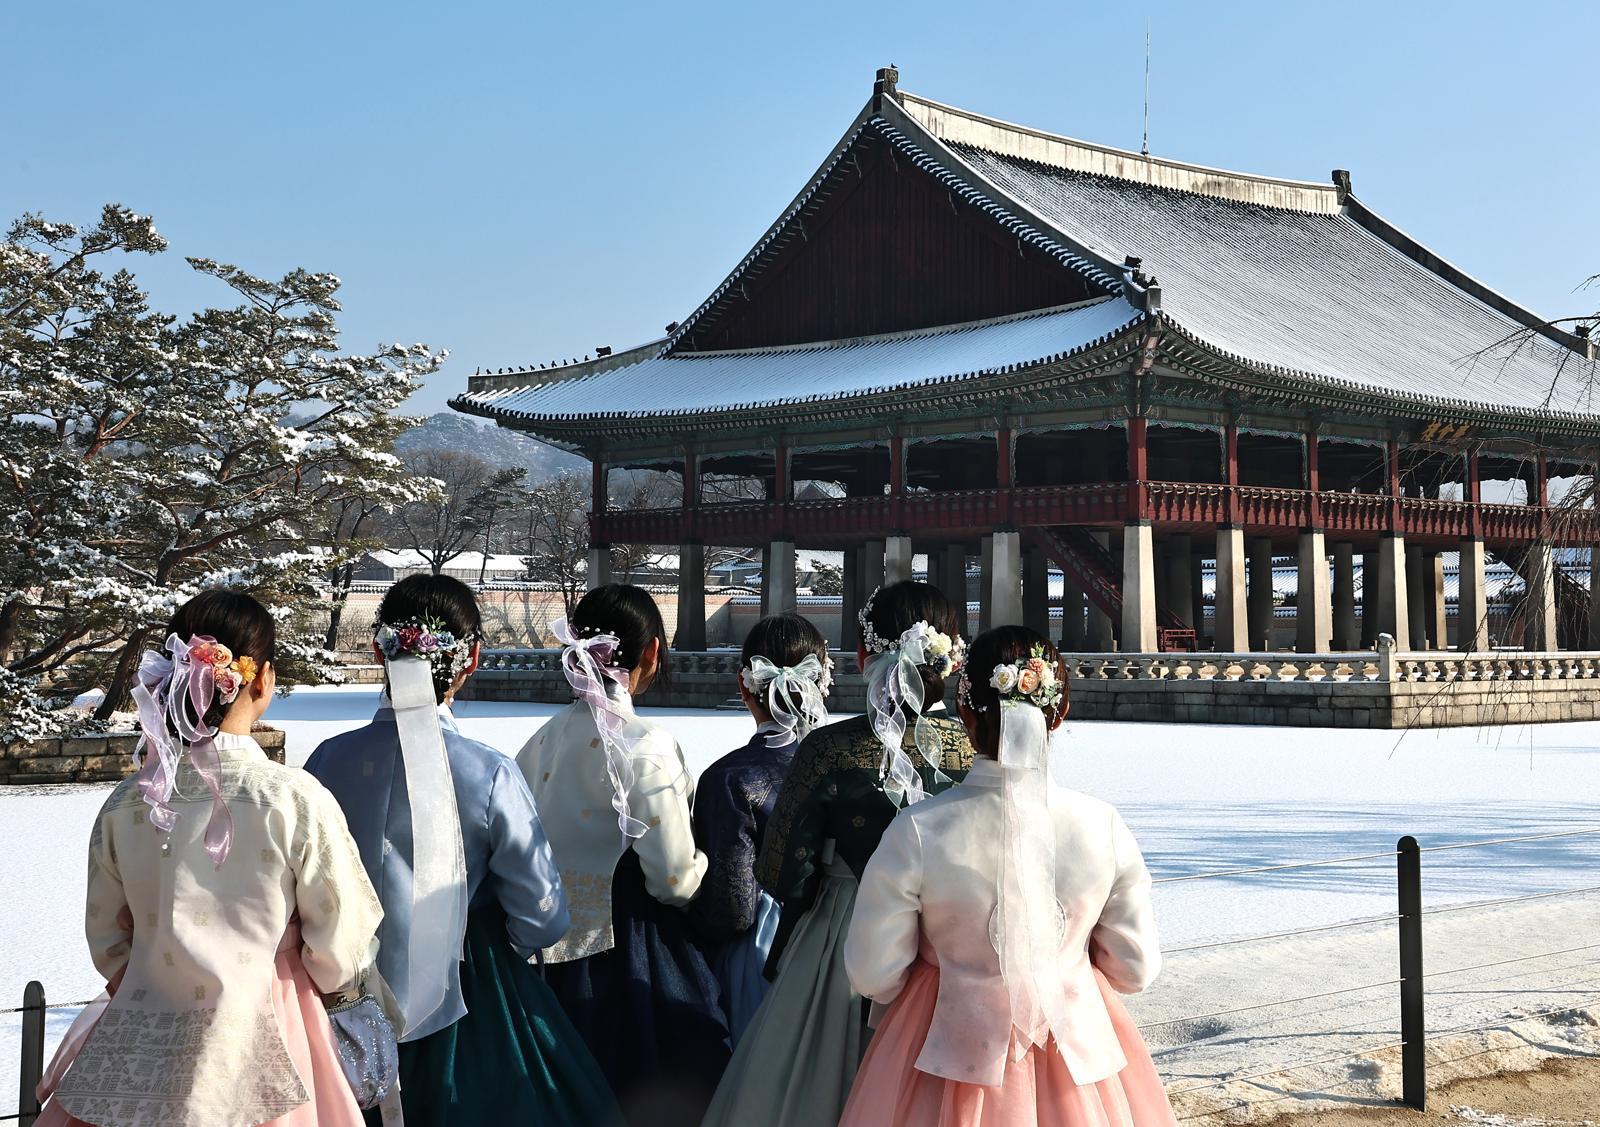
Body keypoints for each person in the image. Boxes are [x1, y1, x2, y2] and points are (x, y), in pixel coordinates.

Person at [39, 590, 383, 1127]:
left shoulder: (129, 801)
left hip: (143, 1034)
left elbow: (108, 941)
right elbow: (339, 940)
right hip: (272, 1018)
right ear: (262, 680)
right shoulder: (291, 797)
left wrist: (155, 969)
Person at [305, 574, 619, 1126]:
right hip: (466, 987)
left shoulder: (326, 762)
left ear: (380, 651)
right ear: (471, 658)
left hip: (339, 990)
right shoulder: (487, 771)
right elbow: (542, 916)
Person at [841, 625, 1175, 1127]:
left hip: (944, 1055)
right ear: (1059, 713)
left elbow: (873, 972)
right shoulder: (1100, 825)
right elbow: (1135, 969)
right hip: (1075, 1056)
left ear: (965, 712)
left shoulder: (919, 829)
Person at [703, 580, 975, 1127]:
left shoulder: (829, 747)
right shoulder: (974, 748)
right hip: (956, 930)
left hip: (846, 929)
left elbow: (783, 870)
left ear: (862, 656)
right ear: (951, 658)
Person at [516, 584, 730, 1127]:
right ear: (652, 652)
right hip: (633, 948)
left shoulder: (539, 741)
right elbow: (674, 879)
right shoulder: (645, 744)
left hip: (546, 947)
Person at [688, 612, 832, 1043]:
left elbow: (732, 909)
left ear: (743, 685)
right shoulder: (844, 766)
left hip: (762, 950)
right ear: (822, 681)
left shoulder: (729, 778)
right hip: (838, 938)